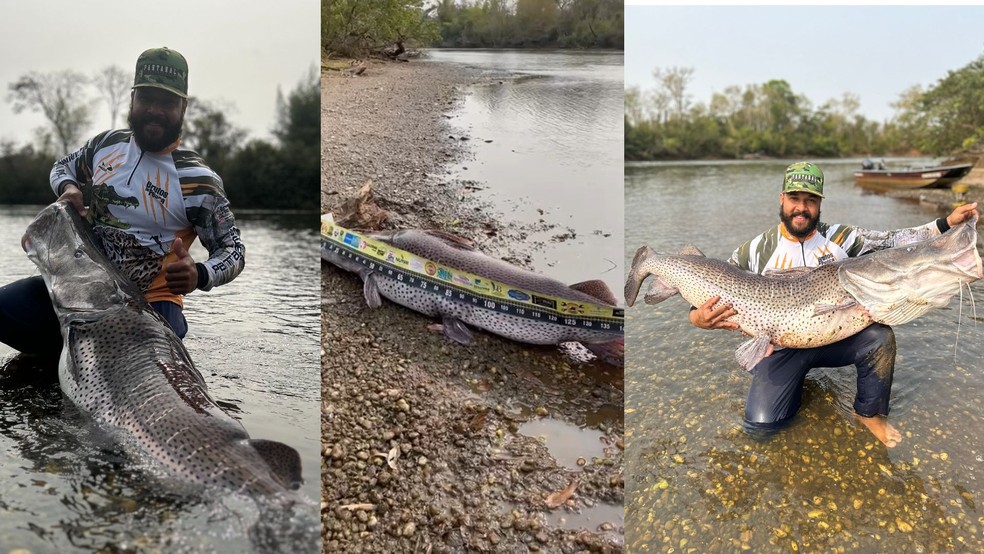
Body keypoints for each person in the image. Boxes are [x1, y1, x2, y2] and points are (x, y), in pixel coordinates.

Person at [690, 161, 978, 448]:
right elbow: (709, 285)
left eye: (810, 200)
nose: (801, 208)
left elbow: (893, 241)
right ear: (782, 199)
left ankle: (870, 413)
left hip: (835, 338)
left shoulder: (843, 238)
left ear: (820, 203)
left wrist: (945, 224)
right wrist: (697, 319)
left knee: (879, 337)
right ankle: (791, 383)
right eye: (794, 199)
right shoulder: (754, 250)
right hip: (779, 348)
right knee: (762, 428)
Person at [0, 47, 245, 354]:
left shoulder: (199, 181)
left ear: (183, 107)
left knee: (152, 372)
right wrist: (69, 187)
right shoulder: (105, 145)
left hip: (151, 303)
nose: (154, 110)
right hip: (81, 290)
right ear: (132, 100)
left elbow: (233, 250)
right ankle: (66, 357)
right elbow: (62, 166)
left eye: (167, 102)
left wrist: (200, 274)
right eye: (146, 98)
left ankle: (85, 356)